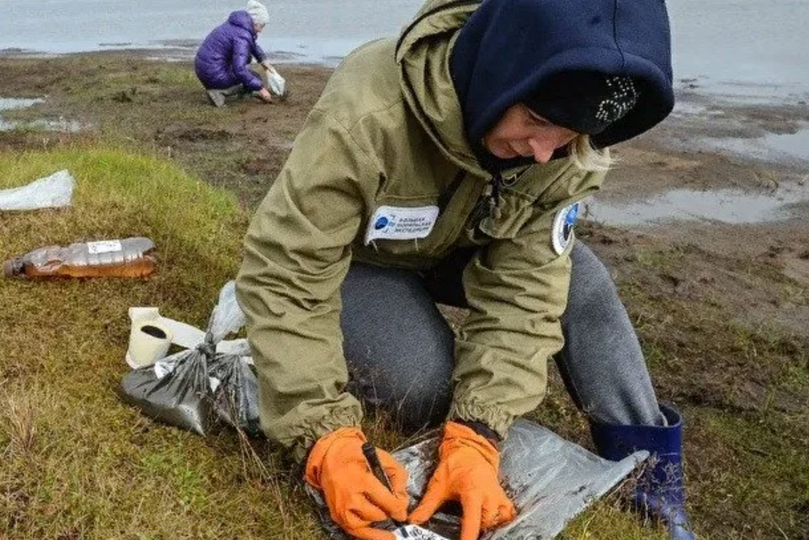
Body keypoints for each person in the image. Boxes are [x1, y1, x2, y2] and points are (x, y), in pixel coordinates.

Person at [234, 0, 695, 539]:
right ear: (496, 73)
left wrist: (478, 430)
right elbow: (287, 267)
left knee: (583, 281)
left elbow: (526, 288)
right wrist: (320, 434)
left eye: (566, 135)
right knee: (426, 385)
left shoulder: (566, 149)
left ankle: (651, 475)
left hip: (467, 244)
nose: (544, 153)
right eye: (538, 121)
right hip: (364, 259)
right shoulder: (369, 109)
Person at [194, 0, 275, 108]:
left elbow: (251, 44)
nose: (261, 30)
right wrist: (260, 88)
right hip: (214, 73)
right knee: (254, 77)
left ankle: (242, 92)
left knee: (249, 68)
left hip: (204, 69)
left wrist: (263, 60)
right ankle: (218, 92)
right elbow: (239, 70)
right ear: (255, 22)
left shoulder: (237, 26)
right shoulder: (243, 35)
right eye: (261, 26)